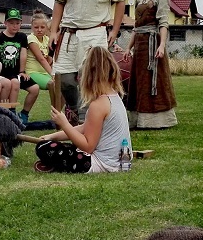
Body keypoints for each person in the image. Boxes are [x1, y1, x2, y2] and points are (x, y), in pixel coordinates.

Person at [50, 0, 126, 123]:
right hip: (69, 33)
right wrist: (53, 31)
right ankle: (74, 111)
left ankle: (88, 121)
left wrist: (115, 30)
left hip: (96, 32)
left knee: (93, 78)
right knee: (64, 79)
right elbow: (59, 1)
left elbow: (120, 0)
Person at [35, 46, 131, 174]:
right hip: (117, 162)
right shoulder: (114, 96)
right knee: (51, 144)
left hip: (101, 164)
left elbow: (88, 147)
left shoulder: (98, 105)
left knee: (43, 147)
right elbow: (85, 128)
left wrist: (64, 124)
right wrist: (52, 137)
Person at [123, 0, 178, 129]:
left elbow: (163, 23)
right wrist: (128, 47)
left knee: (155, 81)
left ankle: (157, 120)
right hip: (139, 47)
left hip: (153, 45)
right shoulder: (139, 0)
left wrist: (162, 45)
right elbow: (136, 27)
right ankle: (138, 119)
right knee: (139, 81)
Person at [21, 11, 55, 125]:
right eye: (36, 27)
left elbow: (48, 59)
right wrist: (53, 74)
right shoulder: (31, 39)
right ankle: (24, 113)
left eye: (42, 27)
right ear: (32, 27)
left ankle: (57, 113)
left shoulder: (46, 39)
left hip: (44, 73)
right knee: (53, 84)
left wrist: (50, 59)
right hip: (33, 72)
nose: (39, 30)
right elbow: (40, 59)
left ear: (46, 28)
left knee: (62, 86)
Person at [0, 9, 29, 108]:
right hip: (1, 71)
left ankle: (12, 109)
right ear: (5, 23)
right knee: (6, 85)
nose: (15, 26)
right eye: (11, 23)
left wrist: (22, 71)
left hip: (14, 72)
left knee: (15, 83)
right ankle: (3, 108)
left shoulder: (22, 37)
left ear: (21, 23)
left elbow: (23, 54)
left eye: (17, 23)